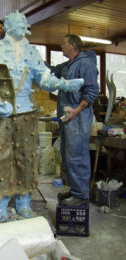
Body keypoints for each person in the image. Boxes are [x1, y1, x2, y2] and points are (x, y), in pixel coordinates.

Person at [0, 12, 84, 222]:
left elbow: (45, 78)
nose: (22, 26)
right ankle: (0, 207)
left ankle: (23, 205)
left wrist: (64, 84)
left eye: (24, 23)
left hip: (26, 114)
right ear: (8, 26)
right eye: (17, 22)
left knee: (26, 161)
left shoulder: (31, 52)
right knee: (0, 161)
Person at [49, 34, 99, 206]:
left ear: (72, 46)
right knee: (67, 155)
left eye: (63, 43)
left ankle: (81, 195)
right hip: (67, 117)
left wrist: (76, 111)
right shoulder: (68, 64)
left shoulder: (85, 64)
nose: (61, 45)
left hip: (77, 117)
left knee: (77, 155)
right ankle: (74, 190)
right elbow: (51, 70)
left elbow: (92, 93)